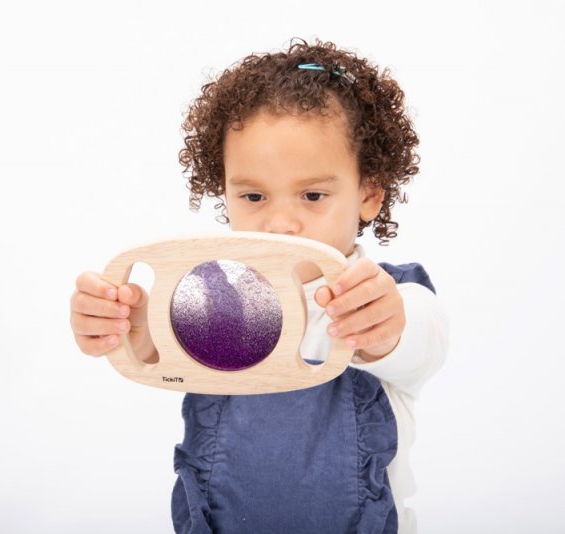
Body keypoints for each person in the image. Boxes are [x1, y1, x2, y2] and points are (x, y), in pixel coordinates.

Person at [70, 38, 449, 533]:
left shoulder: (393, 298)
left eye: (312, 195)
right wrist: (130, 328)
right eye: (253, 196)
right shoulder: (208, 300)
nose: (280, 223)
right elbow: (161, 356)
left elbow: (423, 341)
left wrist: (384, 329)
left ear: (369, 194)